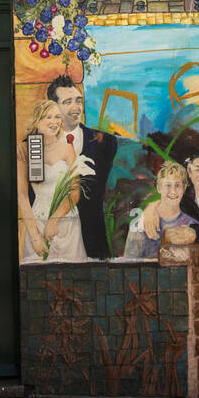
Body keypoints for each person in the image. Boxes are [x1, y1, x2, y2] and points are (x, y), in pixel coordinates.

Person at [45, 76, 117, 260]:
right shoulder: (37, 145)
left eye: (78, 100)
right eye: (67, 102)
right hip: (53, 239)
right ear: (53, 106)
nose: (76, 108)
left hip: (92, 242)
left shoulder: (105, 143)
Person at [18, 99, 86, 263]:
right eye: (48, 117)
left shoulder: (67, 148)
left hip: (67, 223)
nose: (54, 122)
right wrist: (34, 236)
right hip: (38, 223)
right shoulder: (26, 149)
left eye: (57, 117)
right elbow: (22, 195)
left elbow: (75, 191)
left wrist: (54, 220)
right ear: (37, 120)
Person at [125, 160, 195, 259]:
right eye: (168, 185)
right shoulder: (141, 222)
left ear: (184, 188)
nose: (173, 191)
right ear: (159, 188)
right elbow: (129, 262)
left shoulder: (191, 223)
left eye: (178, 185)